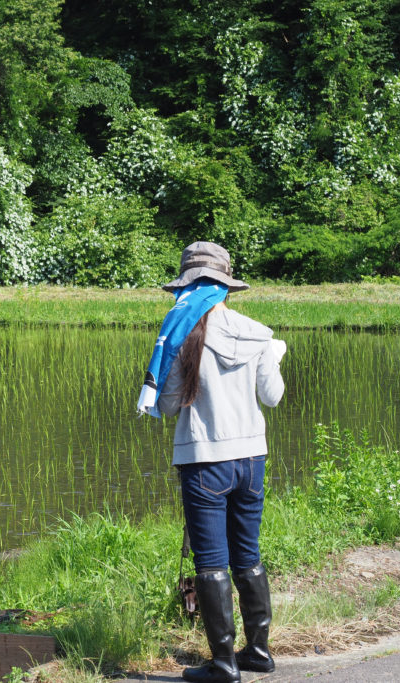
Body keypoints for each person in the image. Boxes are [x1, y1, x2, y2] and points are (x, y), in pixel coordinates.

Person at [145, 242, 285, 683]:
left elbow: (166, 407)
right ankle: (258, 652)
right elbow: (272, 397)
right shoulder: (259, 333)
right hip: (252, 460)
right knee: (248, 555)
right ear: (227, 285)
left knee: (210, 562)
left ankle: (225, 664)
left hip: (205, 460)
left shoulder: (181, 334)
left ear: (187, 286)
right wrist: (276, 356)